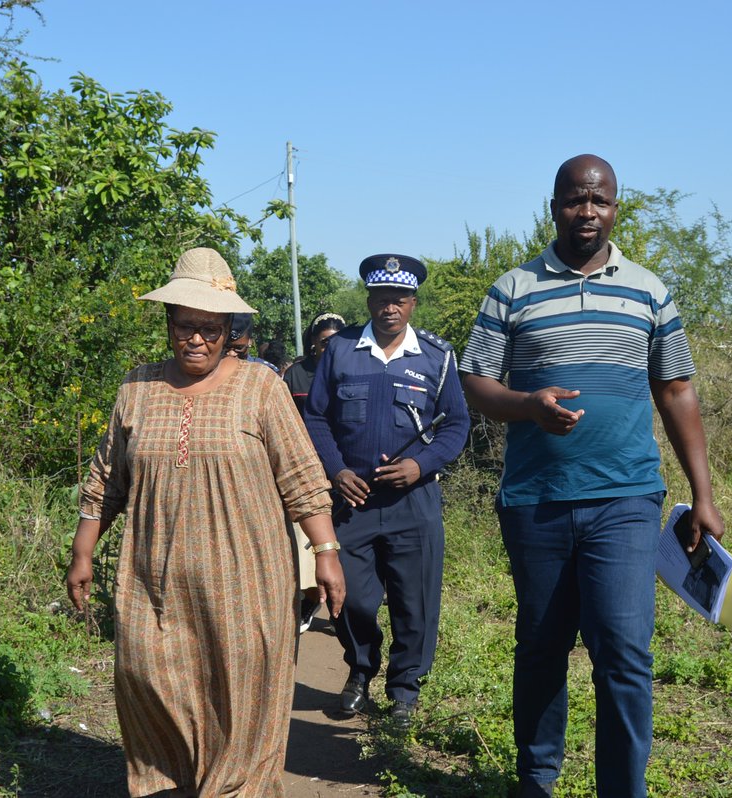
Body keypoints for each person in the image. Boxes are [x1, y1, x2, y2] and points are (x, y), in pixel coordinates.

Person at [458, 154, 725, 797]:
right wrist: (527, 406)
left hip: (626, 500)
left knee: (625, 654)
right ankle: (537, 781)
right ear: (553, 207)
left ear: (615, 208)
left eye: (599, 200)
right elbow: (474, 382)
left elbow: (678, 388)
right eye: (575, 200)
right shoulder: (513, 289)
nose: (587, 212)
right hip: (537, 501)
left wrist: (703, 495)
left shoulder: (648, 289)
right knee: (542, 645)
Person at [67, 247, 346, 797]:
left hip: (247, 584)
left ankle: (235, 788)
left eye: (210, 328)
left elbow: (302, 480)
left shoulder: (260, 388)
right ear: (168, 324)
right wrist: (82, 553)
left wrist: (327, 556)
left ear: (228, 330)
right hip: (155, 583)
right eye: (185, 325)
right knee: (148, 679)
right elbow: (106, 480)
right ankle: (171, 781)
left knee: (241, 697)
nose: (196, 339)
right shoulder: (137, 391)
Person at [304, 255, 470, 725]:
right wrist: (335, 471)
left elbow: (457, 425)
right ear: (370, 301)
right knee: (349, 597)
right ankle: (360, 670)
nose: (389, 308)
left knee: (413, 602)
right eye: (381, 299)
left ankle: (405, 691)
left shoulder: (437, 357)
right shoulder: (339, 351)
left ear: (412, 303)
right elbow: (315, 417)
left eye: (399, 300)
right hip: (352, 501)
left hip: (413, 503)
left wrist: (421, 465)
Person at [283, 312, 347, 632]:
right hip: (305, 469)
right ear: (313, 343)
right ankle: (309, 600)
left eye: (337, 340)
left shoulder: (351, 371)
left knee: (342, 536)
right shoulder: (295, 376)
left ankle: (341, 607)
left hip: (343, 470)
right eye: (325, 341)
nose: (330, 347)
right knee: (309, 540)